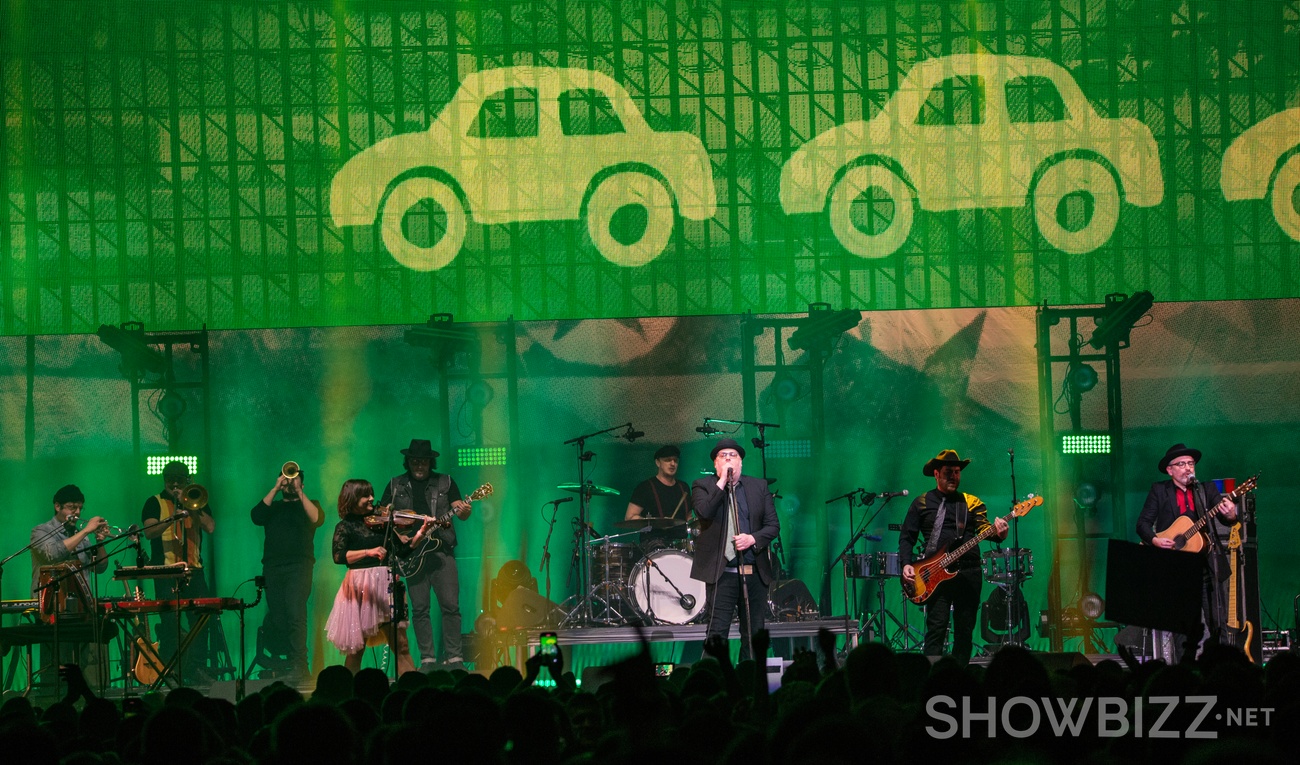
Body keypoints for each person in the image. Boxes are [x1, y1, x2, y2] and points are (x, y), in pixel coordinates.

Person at [899, 449, 1008, 665]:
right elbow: (906, 537)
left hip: (968, 572)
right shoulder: (921, 502)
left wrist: (999, 533)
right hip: (934, 574)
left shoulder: (971, 502)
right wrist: (906, 564)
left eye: (957, 472)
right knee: (936, 629)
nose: (954, 477)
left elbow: (985, 529)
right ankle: (931, 679)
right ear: (936, 474)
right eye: (949, 472)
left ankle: (960, 680)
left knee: (964, 630)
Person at [1135, 443, 1239, 662]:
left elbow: (1224, 518)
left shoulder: (1206, 489)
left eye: (1190, 463)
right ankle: (1185, 671)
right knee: (1184, 629)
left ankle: (1220, 667)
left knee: (1217, 620)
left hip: (1206, 566)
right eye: (1181, 464)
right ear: (1169, 470)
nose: (1187, 468)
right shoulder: (1159, 490)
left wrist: (1231, 514)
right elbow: (1143, 523)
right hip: (1176, 570)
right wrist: (1155, 540)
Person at [378, 439, 472, 671]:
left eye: (424, 461)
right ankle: (427, 660)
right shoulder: (395, 485)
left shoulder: (445, 482)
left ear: (431, 462)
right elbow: (382, 516)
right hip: (412, 554)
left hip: (441, 552)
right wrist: (399, 536)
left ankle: (454, 658)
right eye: (415, 461)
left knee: (450, 606)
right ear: (408, 461)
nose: (419, 465)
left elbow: (460, 512)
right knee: (420, 608)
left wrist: (465, 510)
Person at [324, 478, 432, 674]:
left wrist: (419, 535)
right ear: (352, 498)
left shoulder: (382, 523)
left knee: (401, 644)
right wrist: (368, 552)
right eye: (366, 495)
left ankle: (410, 688)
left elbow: (401, 551)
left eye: (371, 494)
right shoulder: (345, 526)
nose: (372, 498)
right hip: (360, 586)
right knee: (356, 650)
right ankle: (351, 692)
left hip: (386, 584)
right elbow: (339, 556)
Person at [690, 438, 780, 660]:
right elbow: (705, 512)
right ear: (715, 464)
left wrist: (752, 538)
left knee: (753, 634)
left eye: (733, 455)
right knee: (717, 633)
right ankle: (715, 684)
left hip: (754, 574)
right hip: (723, 574)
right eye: (723, 456)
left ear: (741, 462)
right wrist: (721, 482)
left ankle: (750, 681)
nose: (728, 458)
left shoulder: (758, 486)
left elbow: (773, 526)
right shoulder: (702, 485)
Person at [140, 460, 217, 682]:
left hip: (194, 570)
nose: (174, 484)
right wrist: (172, 517)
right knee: (170, 625)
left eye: (179, 480)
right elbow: (150, 531)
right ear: (164, 480)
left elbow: (210, 527)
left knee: (201, 621)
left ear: (187, 481)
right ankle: (170, 670)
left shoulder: (197, 499)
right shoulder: (153, 502)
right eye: (170, 480)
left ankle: (197, 669)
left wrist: (193, 509)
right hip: (165, 572)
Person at [250, 465, 323, 680]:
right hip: (273, 567)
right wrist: (275, 488)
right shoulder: (273, 506)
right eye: (287, 478)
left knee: (295, 613)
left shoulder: (310, 505)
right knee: (279, 616)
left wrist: (299, 492)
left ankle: (301, 665)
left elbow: (316, 519)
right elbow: (256, 516)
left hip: (299, 566)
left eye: (294, 478)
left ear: (302, 482)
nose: (290, 482)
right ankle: (286, 661)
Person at [30, 484, 110, 677]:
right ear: (58, 506)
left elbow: (100, 567)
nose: (77, 512)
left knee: (79, 666)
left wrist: (99, 541)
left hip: (80, 608)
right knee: (55, 666)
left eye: (80, 508)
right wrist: (86, 531)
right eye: (72, 507)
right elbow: (52, 554)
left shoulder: (82, 537)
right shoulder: (40, 531)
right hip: (50, 607)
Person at [625, 444, 693, 550]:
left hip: (680, 545)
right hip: (653, 543)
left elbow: (688, 517)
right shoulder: (645, 487)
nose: (672, 464)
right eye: (667, 460)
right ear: (658, 462)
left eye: (675, 460)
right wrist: (654, 523)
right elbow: (630, 517)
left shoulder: (683, 487)